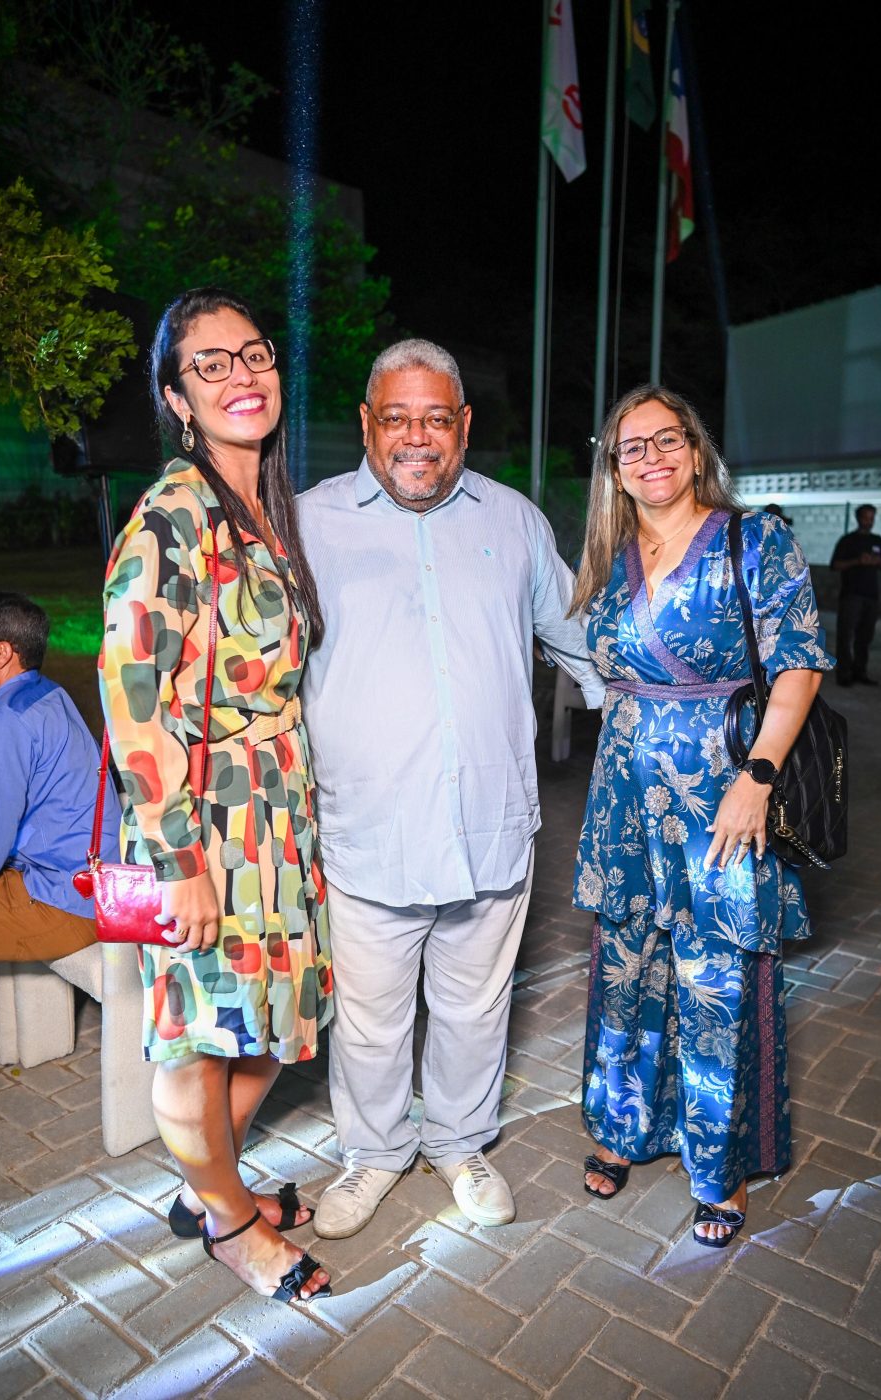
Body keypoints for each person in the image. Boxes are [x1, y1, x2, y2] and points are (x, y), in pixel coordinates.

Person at [296, 338, 605, 1238]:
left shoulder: (511, 521)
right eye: (397, 418)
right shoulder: (309, 522)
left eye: (437, 418)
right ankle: (374, 1155)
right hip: (368, 832)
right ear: (367, 423)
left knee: (475, 1009)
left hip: (490, 829)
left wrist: (655, 720)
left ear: (463, 425)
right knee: (370, 1022)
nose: (417, 438)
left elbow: (577, 637)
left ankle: (462, 1144)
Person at [99, 288, 332, 1304]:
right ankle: (229, 1221)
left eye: (254, 354)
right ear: (175, 397)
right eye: (210, 364)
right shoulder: (172, 513)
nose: (242, 376)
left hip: (274, 815)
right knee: (199, 1034)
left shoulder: (258, 507)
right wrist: (181, 859)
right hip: (207, 821)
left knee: (270, 1022)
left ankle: (210, 1183)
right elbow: (133, 694)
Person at [569, 385, 832, 1247]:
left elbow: (798, 665)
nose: (652, 458)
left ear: (696, 447)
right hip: (624, 793)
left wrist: (760, 773)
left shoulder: (751, 538)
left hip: (723, 786)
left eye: (666, 439)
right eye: (631, 447)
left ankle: (718, 1165)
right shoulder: (608, 554)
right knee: (626, 967)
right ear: (615, 467)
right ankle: (623, 1127)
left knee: (714, 976)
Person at [0, 593, 120, 961]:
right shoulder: (46, 694)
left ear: (2, 653)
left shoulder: (8, 720)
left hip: (65, 900)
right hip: (85, 884)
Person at [830, 504, 881, 686]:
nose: (869, 522)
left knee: (865, 636)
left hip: (871, 595)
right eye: (866, 517)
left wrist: (877, 561)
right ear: (858, 518)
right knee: (846, 635)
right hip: (851, 594)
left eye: (871, 518)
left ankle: (860, 671)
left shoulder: (877, 540)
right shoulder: (847, 540)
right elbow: (835, 565)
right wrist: (857, 561)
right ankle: (844, 674)